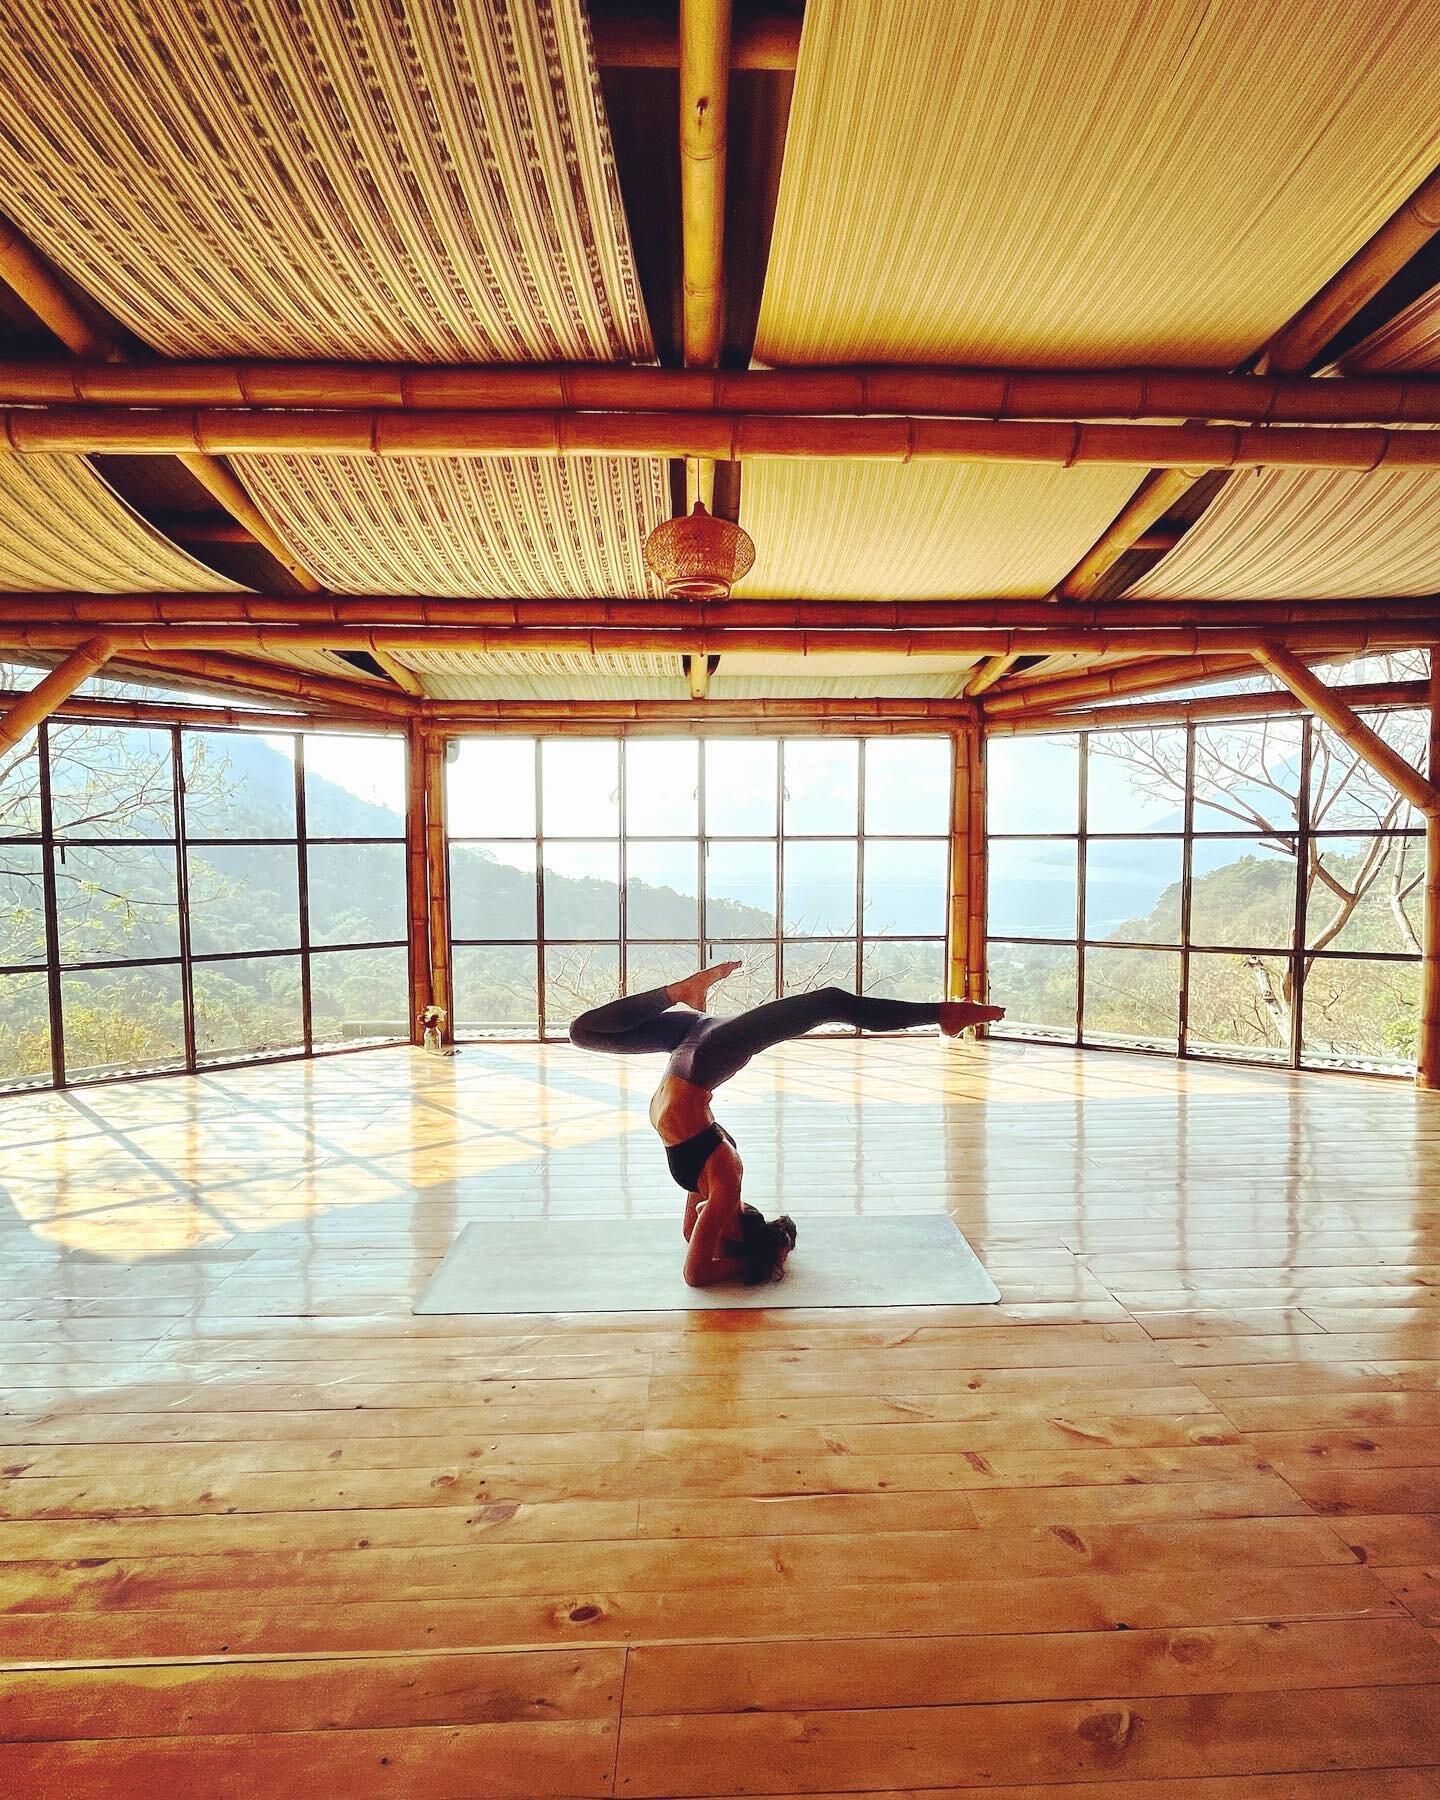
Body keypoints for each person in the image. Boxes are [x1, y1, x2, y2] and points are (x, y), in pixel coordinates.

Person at [569, 961, 1005, 1288]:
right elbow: (696, 1276)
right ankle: (944, 1013)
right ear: (736, 1229)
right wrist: (757, 1263)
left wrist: (752, 1251)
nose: (705, 1230)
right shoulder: (724, 1185)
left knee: (585, 1032)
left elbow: (691, 1238)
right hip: (709, 1055)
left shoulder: (704, 1190)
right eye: (719, 1237)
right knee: (828, 1002)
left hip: (689, 1041)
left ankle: (678, 991)